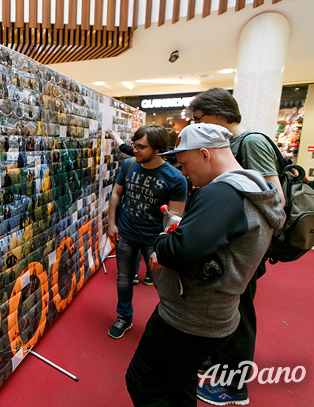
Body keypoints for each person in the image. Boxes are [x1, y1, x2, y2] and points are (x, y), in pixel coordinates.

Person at [125, 123, 285, 407]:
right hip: (215, 312)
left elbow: (178, 251)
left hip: (190, 317)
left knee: (143, 383)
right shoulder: (254, 185)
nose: (184, 173)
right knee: (179, 381)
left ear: (205, 154)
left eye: (185, 164)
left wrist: (164, 237)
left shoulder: (224, 193)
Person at [188, 89, 286, 405]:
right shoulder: (237, 145)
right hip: (234, 245)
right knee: (229, 311)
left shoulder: (252, 142)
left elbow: (275, 199)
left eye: (200, 119)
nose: (197, 125)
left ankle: (235, 387)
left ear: (219, 113)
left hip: (245, 248)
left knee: (240, 315)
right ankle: (222, 364)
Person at [106, 124, 187, 339]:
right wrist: (111, 223)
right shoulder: (129, 164)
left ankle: (169, 324)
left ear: (157, 149)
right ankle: (124, 316)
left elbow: (175, 218)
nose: (136, 151)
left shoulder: (175, 178)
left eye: (142, 147)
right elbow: (116, 194)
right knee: (123, 278)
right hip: (127, 233)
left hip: (154, 239)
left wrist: (162, 247)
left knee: (164, 285)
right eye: (134, 146)